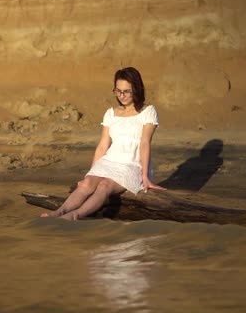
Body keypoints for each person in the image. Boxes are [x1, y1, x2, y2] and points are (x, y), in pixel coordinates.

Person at [41, 67, 166, 220]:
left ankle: (75, 215)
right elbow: (102, 145)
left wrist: (146, 177)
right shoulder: (111, 113)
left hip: (132, 165)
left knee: (104, 186)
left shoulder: (148, 111)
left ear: (137, 89)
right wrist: (91, 173)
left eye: (127, 91)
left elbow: (145, 143)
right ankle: (58, 213)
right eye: (118, 91)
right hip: (109, 161)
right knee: (86, 184)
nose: (122, 96)